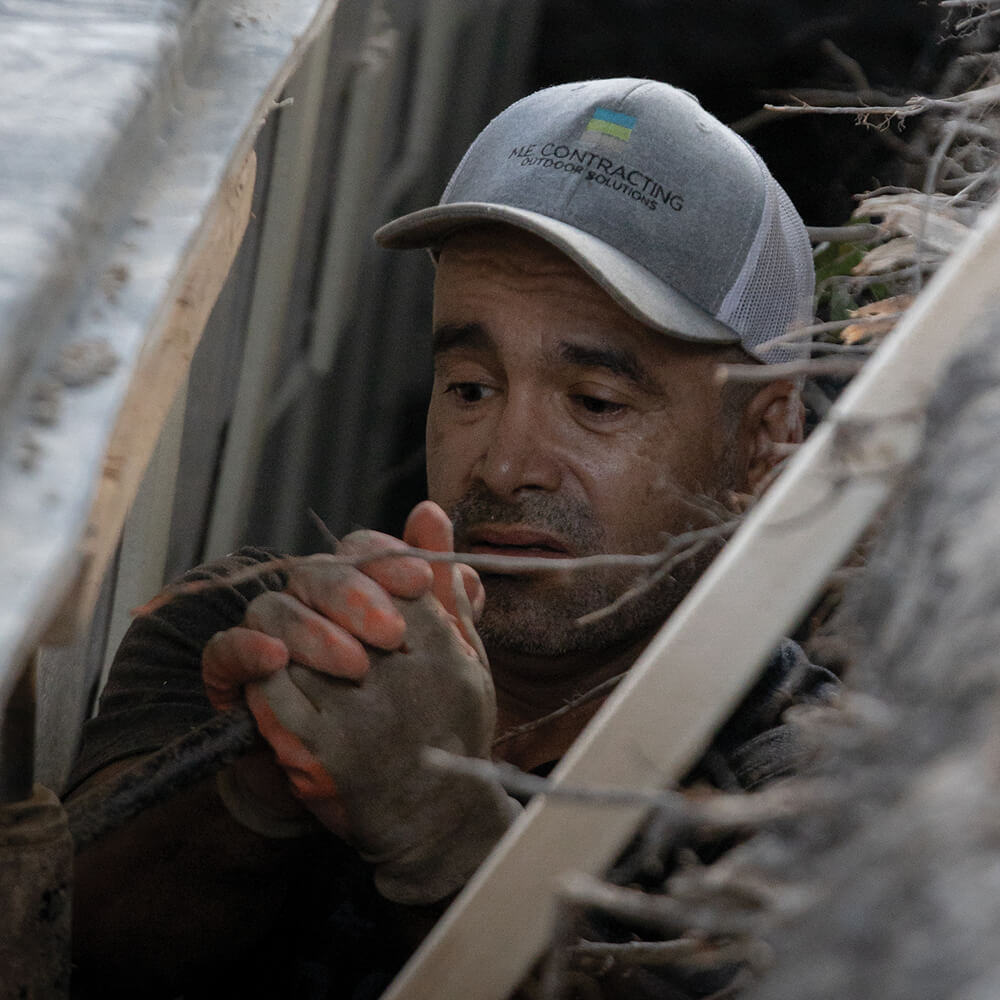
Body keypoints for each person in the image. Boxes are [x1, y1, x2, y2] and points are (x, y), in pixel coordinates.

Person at [66, 79, 837, 999]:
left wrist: (442, 833)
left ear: (764, 444)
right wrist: (257, 790)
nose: (506, 466)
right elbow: (66, 944)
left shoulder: (811, 796)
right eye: (471, 386)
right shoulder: (248, 630)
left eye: (595, 403)